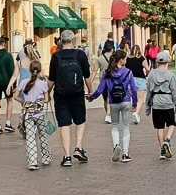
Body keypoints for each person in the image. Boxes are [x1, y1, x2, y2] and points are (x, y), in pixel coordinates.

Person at [48, 30, 93, 167]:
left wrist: (46, 93)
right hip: (77, 93)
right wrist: (90, 91)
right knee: (80, 121)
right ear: (73, 41)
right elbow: (87, 76)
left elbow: (51, 79)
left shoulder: (56, 56)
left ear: (61, 41)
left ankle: (67, 156)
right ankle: (78, 147)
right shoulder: (80, 55)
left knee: (64, 124)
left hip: (61, 95)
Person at [89, 50, 140, 163]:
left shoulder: (107, 73)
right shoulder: (128, 72)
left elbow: (100, 89)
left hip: (113, 102)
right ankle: (125, 154)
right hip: (126, 101)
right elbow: (134, 89)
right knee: (126, 127)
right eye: (125, 58)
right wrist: (135, 104)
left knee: (115, 126)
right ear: (121, 60)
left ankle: (116, 145)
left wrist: (91, 97)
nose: (126, 60)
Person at [18, 59, 52, 171]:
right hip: (40, 113)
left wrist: (24, 102)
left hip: (28, 113)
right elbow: (47, 99)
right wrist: (40, 102)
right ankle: (46, 158)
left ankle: (32, 162)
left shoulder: (23, 83)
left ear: (29, 70)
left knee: (30, 137)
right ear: (40, 69)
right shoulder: (43, 84)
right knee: (43, 135)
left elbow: (15, 96)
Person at [146, 51, 176, 159]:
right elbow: (174, 91)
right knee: (171, 124)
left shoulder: (152, 74)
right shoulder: (170, 75)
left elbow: (149, 91)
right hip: (167, 101)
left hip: (156, 102)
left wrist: (147, 106)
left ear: (157, 62)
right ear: (167, 62)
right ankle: (167, 140)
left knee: (159, 127)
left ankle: (162, 151)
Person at [7, 40, 41, 127]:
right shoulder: (36, 61)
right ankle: (34, 123)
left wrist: (9, 86)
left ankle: (26, 124)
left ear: (24, 52)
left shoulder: (20, 62)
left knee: (25, 106)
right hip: (34, 85)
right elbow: (40, 74)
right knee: (35, 106)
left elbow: (14, 76)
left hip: (23, 87)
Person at [125, 45, 147, 124]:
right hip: (140, 79)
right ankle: (136, 112)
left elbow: (124, 68)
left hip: (130, 79)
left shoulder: (127, 58)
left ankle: (132, 107)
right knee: (140, 98)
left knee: (131, 96)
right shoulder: (142, 58)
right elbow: (147, 68)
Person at [92, 44, 110, 123]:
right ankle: (109, 115)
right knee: (110, 98)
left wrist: (91, 81)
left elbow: (95, 70)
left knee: (105, 99)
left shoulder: (99, 59)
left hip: (102, 80)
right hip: (113, 79)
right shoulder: (114, 57)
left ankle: (107, 114)